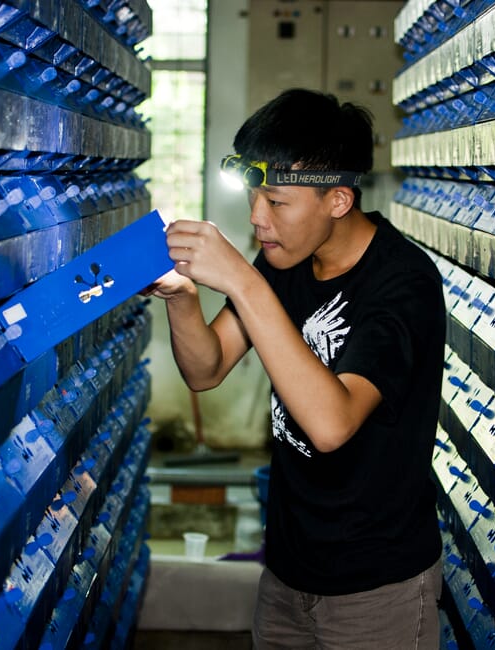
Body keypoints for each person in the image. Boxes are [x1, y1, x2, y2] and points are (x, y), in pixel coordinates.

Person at [147, 88, 445, 649]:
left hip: (376, 590)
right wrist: (182, 298)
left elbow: (331, 425)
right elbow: (207, 368)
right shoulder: (284, 261)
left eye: (277, 203)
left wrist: (241, 278)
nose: (258, 219)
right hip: (288, 573)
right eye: (255, 197)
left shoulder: (403, 284)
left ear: (338, 200)